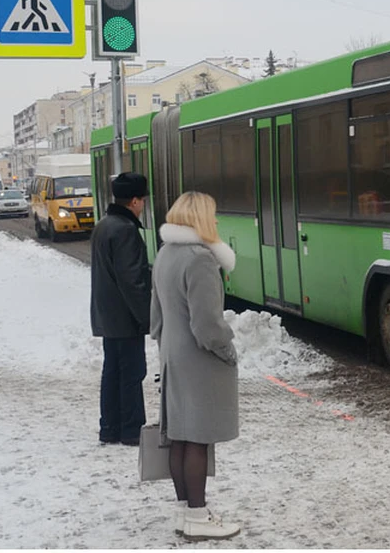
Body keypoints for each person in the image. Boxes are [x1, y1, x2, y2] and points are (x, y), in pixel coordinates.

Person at [150, 191, 240, 541]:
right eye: (213, 215)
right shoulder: (200, 259)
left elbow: (156, 317)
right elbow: (208, 325)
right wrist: (228, 351)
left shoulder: (165, 254)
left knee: (180, 437)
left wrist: (166, 348)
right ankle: (199, 516)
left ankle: (185, 511)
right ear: (201, 219)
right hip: (199, 359)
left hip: (173, 353)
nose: (216, 221)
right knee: (198, 438)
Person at [89, 172, 151, 447]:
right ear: (135, 201)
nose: (144, 205)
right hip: (125, 317)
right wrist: (147, 318)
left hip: (108, 315)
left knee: (112, 371)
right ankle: (130, 430)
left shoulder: (104, 224)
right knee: (132, 372)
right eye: (143, 200)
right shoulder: (125, 230)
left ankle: (110, 427)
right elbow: (133, 281)